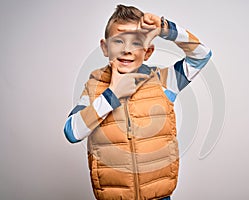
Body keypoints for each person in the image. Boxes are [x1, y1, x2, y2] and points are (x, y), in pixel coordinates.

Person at [64, 4, 212, 200]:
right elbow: (72, 132)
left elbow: (201, 55)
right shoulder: (95, 86)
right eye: (118, 41)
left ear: (147, 52)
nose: (127, 50)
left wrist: (166, 29)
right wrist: (112, 95)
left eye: (135, 43)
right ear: (105, 47)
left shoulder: (163, 81)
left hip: (159, 197)